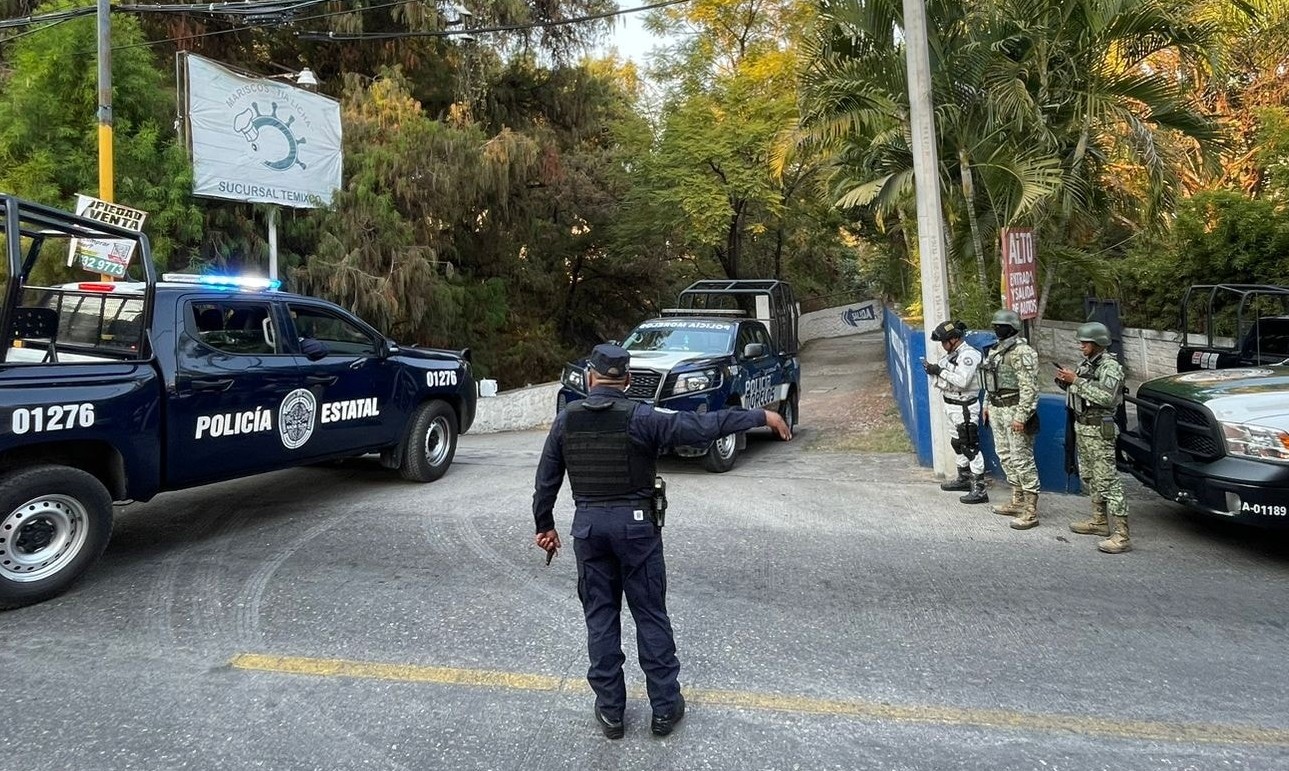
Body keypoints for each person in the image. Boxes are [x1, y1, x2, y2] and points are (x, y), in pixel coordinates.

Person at [533, 343, 791, 739]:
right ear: (629, 380)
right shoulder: (643, 417)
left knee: (600, 619)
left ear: (589, 379)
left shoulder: (567, 420)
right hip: (637, 530)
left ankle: (611, 713)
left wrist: (545, 525)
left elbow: (546, 479)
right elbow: (704, 426)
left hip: (589, 530)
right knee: (650, 615)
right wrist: (761, 415)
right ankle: (665, 710)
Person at [1055, 322, 1132, 553]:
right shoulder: (1087, 365)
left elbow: (1107, 398)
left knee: (1108, 480)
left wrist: (1076, 381)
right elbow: (1080, 390)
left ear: (1098, 343)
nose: (1081, 346)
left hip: (1100, 431)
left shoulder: (1111, 367)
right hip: (1083, 428)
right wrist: (1065, 382)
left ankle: (1122, 534)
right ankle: (1099, 521)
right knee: (1091, 477)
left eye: (1085, 343)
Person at [979, 309, 1041, 529]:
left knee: (1021, 458)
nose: (997, 329)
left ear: (1012, 327)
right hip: (997, 408)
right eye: (995, 325)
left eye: (1001, 326)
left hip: (1014, 409)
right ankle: (1018, 500)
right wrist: (986, 404)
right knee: (1005, 455)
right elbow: (989, 380)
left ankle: (1031, 510)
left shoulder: (1022, 352)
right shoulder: (997, 350)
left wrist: (1022, 416)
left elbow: (1029, 388)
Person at [922, 319, 988, 504]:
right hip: (950, 403)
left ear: (955, 339)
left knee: (969, 445)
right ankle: (964, 478)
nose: (942, 345)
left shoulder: (969, 355)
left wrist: (940, 371)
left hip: (964, 406)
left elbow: (962, 381)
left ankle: (979, 488)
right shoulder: (950, 355)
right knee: (957, 443)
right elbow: (941, 381)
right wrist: (935, 371)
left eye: (944, 341)